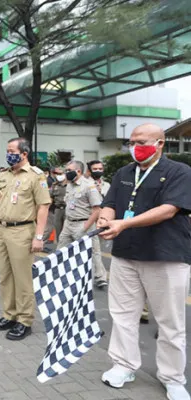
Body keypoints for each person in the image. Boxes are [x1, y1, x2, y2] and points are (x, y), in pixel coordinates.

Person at [97, 123, 191, 400]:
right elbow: (110, 201)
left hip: (166, 256)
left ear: (160, 143)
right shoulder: (125, 172)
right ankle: (123, 365)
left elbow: (168, 210)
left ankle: (172, 377)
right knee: (123, 315)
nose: (135, 146)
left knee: (170, 322)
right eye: (132, 141)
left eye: (142, 141)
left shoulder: (179, 172)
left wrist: (123, 224)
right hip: (126, 255)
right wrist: (105, 217)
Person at [0, 138, 51, 341]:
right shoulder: (4, 175)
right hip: (3, 231)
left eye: (12, 151)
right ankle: (9, 315)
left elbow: (43, 207)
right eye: (7, 151)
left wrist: (39, 237)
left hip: (23, 231)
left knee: (22, 278)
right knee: (6, 277)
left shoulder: (36, 176)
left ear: (24, 154)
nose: (8, 154)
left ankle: (24, 320)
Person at [56, 160, 108, 288]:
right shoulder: (69, 185)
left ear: (78, 171)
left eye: (69, 170)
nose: (66, 173)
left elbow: (97, 210)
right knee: (61, 250)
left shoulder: (89, 186)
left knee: (92, 252)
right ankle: (59, 276)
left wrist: (85, 227)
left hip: (84, 223)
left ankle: (100, 277)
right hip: (69, 223)